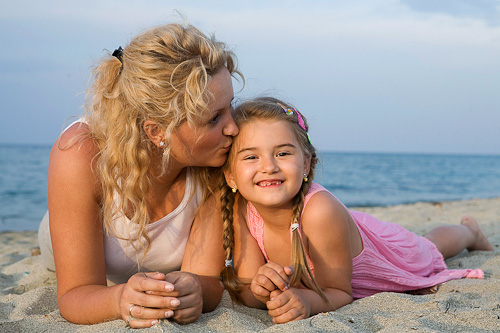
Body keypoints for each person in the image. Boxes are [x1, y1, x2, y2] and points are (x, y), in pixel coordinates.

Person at [218, 97, 493, 324]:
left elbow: (339, 292)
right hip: (347, 237)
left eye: (283, 153)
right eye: (251, 156)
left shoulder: (319, 212)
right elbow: (251, 294)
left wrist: (308, 301)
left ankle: (470, 232)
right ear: (231, 176)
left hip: (382, 256)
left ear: (306, 164)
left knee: (429, 249)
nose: (268, 166)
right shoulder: (243, 210)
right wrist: (261, 287)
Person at [38, 23, 242, 328]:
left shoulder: (216, 160)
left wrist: (196, 291)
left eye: (230, 108)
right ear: (157, 131)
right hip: (65, 234)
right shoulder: (81, 154)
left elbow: (209, 280)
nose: (233, 128)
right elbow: (74, 295)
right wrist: (120, 299)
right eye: (214, 118)